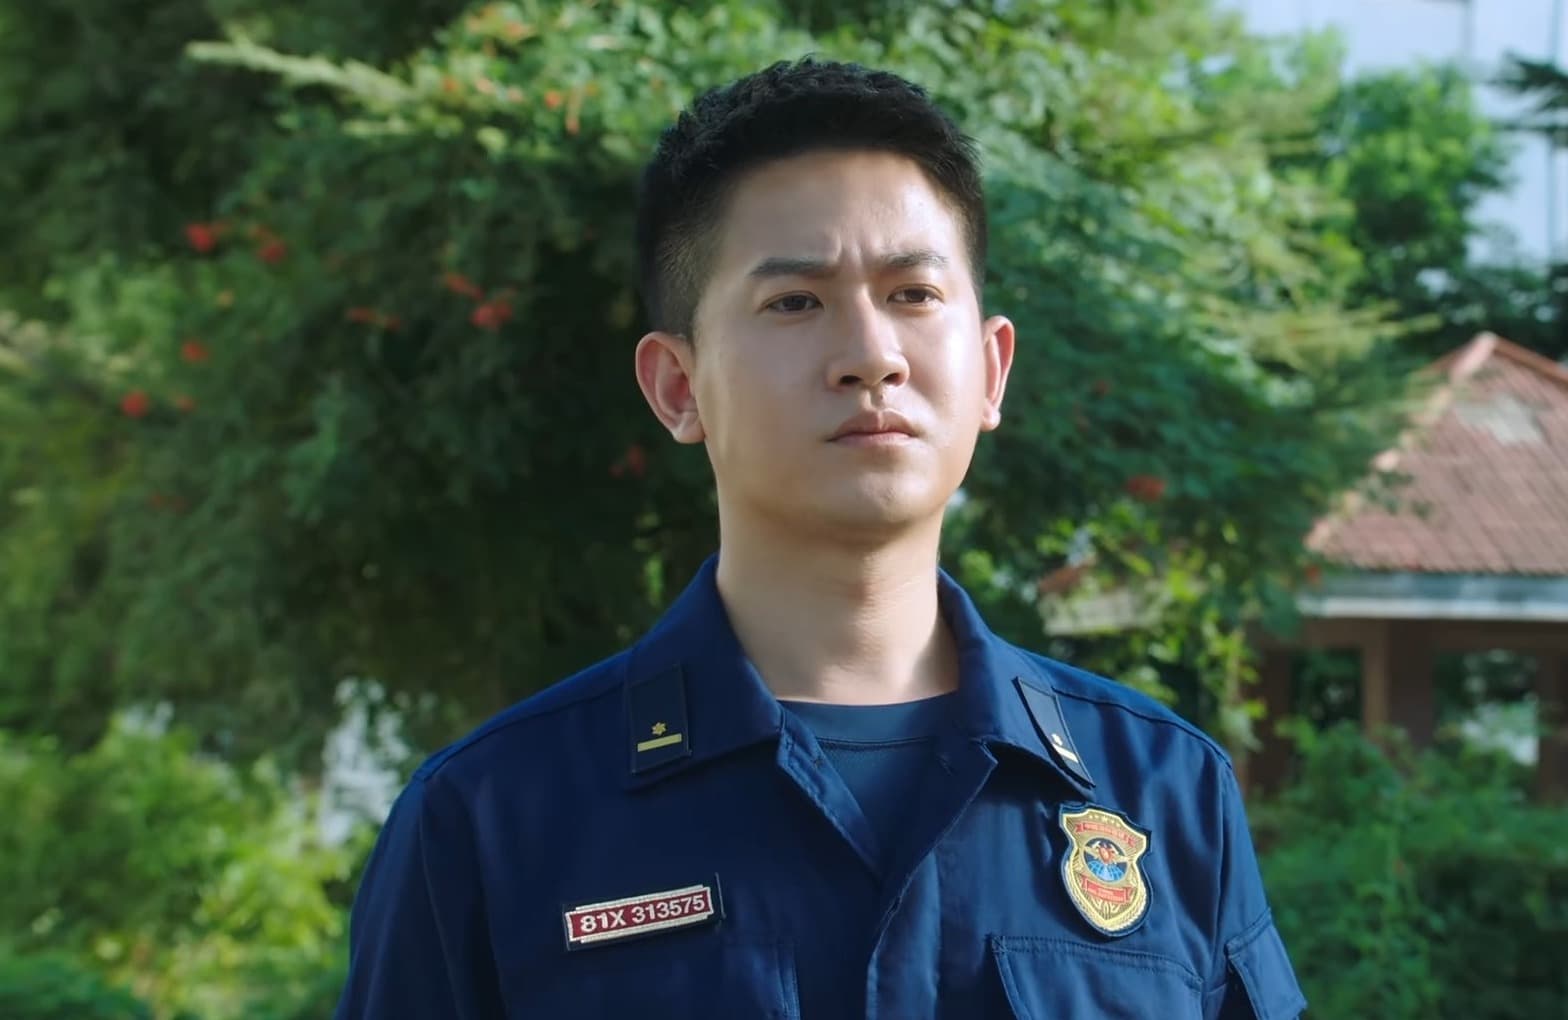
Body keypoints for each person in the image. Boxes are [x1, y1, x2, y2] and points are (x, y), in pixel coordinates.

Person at [334, 58, 1307, 1019]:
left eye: (912, 294)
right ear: (677, 387)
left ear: (992, 368)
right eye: (794, 303)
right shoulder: (494, 818)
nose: (871, 356)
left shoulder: (1165, 792)